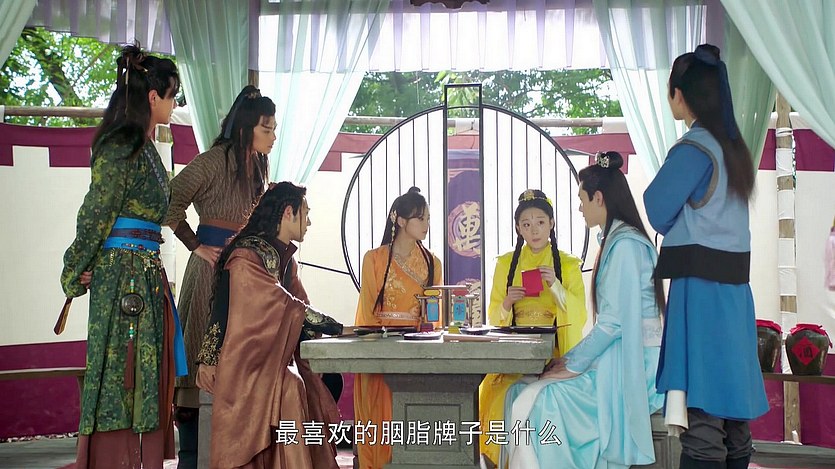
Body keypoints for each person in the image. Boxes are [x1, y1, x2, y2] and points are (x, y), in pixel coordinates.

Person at [59, 43, 184, 469]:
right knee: (122, 369)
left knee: (146, 371)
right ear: (153, 96)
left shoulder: (146, 147)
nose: (174, 104)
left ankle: (142, 459)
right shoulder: (120, 146)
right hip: (123, 276)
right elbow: (96, 211)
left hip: (144, 271)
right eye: (171, 95)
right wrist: (75, 268)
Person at [644, 44, 768, 469]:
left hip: (700, 292)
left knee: (701, 411)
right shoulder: (733, 148)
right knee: (733, 412)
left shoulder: (694, 148)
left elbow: (657, 207)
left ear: (680, 95)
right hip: (735, 292)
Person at [502, 152, 665, 469]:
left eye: (581, 199)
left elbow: (613, 324)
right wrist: (569, 362)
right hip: (614, 355)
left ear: (598, 198)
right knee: (518, 391)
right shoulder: (615, 241)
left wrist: (571, 364)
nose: (579, 207)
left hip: (633, 363)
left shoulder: (626, 246)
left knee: (543, 398)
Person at [163, 85, 275, 468]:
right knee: (202, 354)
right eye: (266, 128)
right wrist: (195, 244)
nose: (273, 136)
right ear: (245, 128)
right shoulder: (212, 161)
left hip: (245, 274)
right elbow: (169, 199)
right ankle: (191, 457)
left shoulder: (258, 166)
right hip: (210, 270)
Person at [195, 181, 342, 469]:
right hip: (243, 362)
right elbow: (284, 306)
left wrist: (333, 333)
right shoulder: (246, 255)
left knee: (318, 380)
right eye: (306, 213)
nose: (309, 222)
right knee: (291, 386)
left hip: (269, 360)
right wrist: (336, 327)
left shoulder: (286, 260)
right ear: (288, 213)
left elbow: (300, 310)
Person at [478, 188, 587, 466]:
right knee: (497, 395)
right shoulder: (506, 264)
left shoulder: (568, 264)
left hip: (555, 355)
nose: (534, 230)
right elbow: (493, 315)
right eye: (526, 224)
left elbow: (580, 312)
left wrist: (556, 286)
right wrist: (507, 303)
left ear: (551, 223)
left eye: (540, 222)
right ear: (518, 228)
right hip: (514, 357)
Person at [353, 187, 442, 469]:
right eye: (420, 219)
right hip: (380, 344)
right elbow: (368, 309)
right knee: (379, 414)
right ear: (401, 220)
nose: (426, 225)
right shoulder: (374, 258)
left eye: (428, 219)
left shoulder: (432, 262)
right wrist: (373, 346)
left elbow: (433, 313)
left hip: (415, 346)